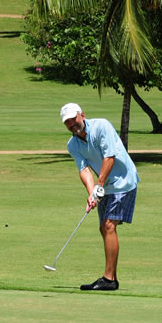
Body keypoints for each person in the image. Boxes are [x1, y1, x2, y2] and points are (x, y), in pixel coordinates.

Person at [60, 103, 139, 291]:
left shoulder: (101, 126)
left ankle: (109, 279)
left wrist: (99, 184)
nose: (72, 124)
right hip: (105, 187)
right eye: (68, 123)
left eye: (74, 119)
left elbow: (109, 157)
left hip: (123, 181)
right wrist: (91, 193)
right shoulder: (73, 145)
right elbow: (84, 170)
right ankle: (112, 278)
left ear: (82, 115)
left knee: (108, 225)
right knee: (104, 229)